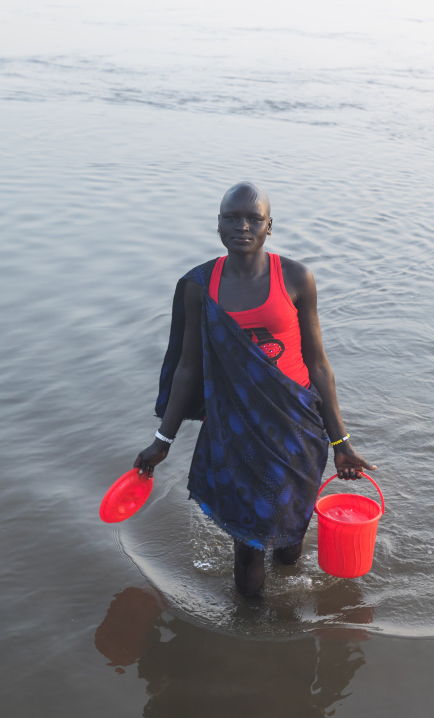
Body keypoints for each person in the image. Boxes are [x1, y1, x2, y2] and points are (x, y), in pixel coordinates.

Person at [134, 182, 376, 596]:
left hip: (295, 426)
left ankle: (284, 606)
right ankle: (252, 631)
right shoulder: (200, 284)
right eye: (232, 217)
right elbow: (188, 368)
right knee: (248, 543)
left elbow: (318, 364)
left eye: (253, 219)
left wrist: (341, 442)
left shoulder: (296, 277)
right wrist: (162, 439)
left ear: (269, 226)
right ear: (218, 225)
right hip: (234, 428)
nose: (242, 226)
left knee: (289, 539)